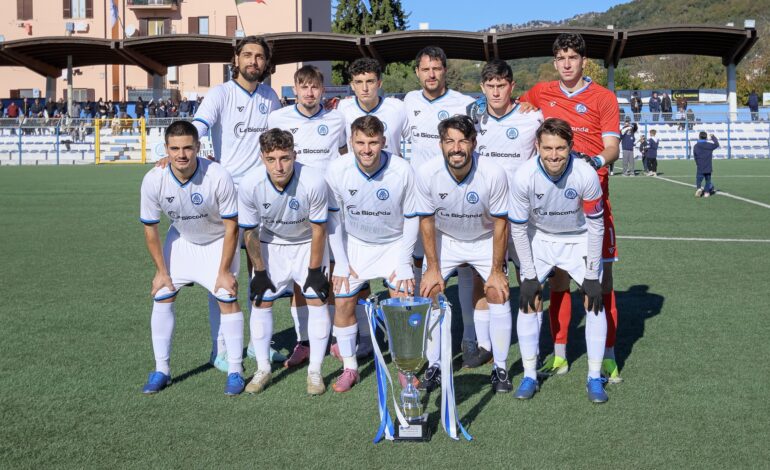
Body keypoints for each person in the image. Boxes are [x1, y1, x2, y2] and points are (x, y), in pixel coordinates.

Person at [519, 32, 622, 383]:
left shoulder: (603, 97)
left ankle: (608, 356)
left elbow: (612, 147)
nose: (566, 64)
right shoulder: (541, 92)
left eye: (573, 58)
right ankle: (560, 354)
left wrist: (593, 162)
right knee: (558, 278)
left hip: (592, 197)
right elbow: (519, 111)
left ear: (583, 61)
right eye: (561, 58)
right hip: (552, 202)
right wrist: (524, 107)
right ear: (555, 62)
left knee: (602, 280)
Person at [138, 120, 245, 396]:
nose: (181, 155)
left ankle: (235, 370)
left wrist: (224, 271)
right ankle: (161, 370)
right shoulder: (154, 179)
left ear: (198, 147)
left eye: (187, 148)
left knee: (227, 295)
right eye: (174, 149)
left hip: (218, 240)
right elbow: (150, 229)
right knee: (162, 293)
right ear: (166, 149)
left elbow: (232, 227)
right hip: (182, 239)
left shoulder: (217, 175)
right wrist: (161, 271)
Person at [509, 118, 608, 403]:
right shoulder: (524, 176)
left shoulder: (586, 174)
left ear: (571, 146)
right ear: (537, 146)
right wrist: (529, 275)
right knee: (529, 301)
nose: (554, 155)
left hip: (578, 237)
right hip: (539, 237)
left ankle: (594, 376)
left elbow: (596, 226)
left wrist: (592, 275)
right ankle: (529, 374)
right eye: (548, 148)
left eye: (561, 148)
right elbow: (518, 228)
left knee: (594, 301)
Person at [415, 115, 513, 394]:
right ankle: (434, 365)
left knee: (497, 292)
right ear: (441, 145)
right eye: (449, 141)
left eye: (463, 141)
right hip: (446, 239)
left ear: (474, 143)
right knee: (431, 290)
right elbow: (426, 222)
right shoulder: (427, 172)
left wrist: (496, 271)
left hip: (484, 238)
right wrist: (432, 269)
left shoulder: (493, 172)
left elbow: (501, 223)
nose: (456, 148)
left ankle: (500, 368)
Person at [325, 115, 418, 392]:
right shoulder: (338, 169)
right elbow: (333, 219)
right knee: (343, 300)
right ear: (351, 142)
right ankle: (350, 368)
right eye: (360, 143)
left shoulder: (402, 169)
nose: (367, 149)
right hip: (355, 244)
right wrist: (341, 262)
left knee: (403, 302)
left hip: (393, 243)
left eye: (373, 143)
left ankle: (404, 366)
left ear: (384, 142)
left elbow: (412, 217)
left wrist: (404, 261)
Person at [238, 128, 332, 395]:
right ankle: (263, 369)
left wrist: (314, 270)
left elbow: (319, 229)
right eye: (271, 159)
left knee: (317, 299)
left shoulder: (313, 181)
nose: (278, 166)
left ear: (294, 155)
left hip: (307, 242)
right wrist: (259, 271)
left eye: (284, 158)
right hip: (271, 243)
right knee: (261, 300)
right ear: (262, 158)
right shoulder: (250, 184)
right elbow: (250, 232)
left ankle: (315, 371)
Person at [403, 46, 479, 366]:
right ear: (417, 73)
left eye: (436, 68)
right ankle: (424, 336)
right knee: (420, 265)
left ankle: (469, 336)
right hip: (421, 199)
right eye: (425, 69)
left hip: (457, 196)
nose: (431, 74)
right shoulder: (408, 102)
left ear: (445, 70)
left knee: (464, 266)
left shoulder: (464, 103)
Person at [266, 64, 346, 367]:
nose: (309, 93)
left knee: (333, 271)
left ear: (322, 90)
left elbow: (343, 155)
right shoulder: (278, 118)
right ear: (295, 90)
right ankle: (304, 340)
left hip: (331, 208)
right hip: (294, 208)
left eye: (314, 87)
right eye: (304, 87)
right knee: (300, 278)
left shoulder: (336, 119)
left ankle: (336, 335)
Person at [469, 59, 543, 368]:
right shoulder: (473, 119)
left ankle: (532, 349)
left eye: (502, 85)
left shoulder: (532, 117)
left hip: (524, 216)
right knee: (483, 277)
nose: (496, 92)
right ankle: (484, 346)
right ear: (482, 88)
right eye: (491, 86)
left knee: (530, 279)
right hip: (486, 216)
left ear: (512, 86)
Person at [337, 58, 410, 157]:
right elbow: (341, 146)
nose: (364, 88)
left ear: (379, 84)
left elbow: (415, 140)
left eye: (370, 81)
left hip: (391, 167)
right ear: (352, 85)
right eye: (359, 82)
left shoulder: (398, 107)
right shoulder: (343, 108)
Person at [693, 132, 719, 198]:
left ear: (699, 137)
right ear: (706, 137)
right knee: (708, 180)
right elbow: (716, 144)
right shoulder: (709, 145)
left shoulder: (696, 146)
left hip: (700, 166)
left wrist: (697, 163)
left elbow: (695, 156)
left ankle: (699, 188)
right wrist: (713, 137)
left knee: (698, 179)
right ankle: (706, 193)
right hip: (708, 166)